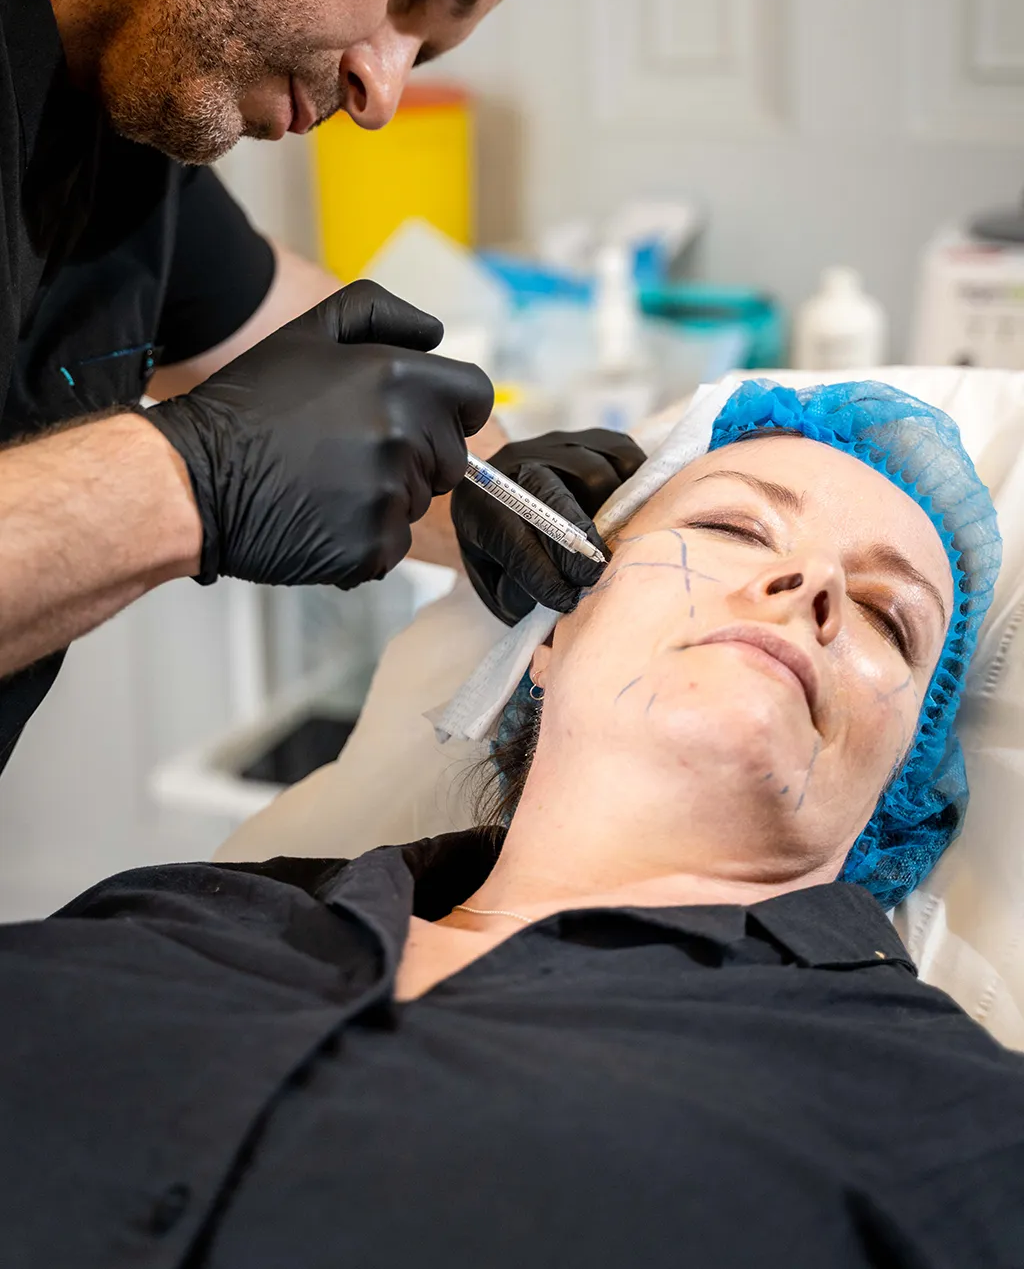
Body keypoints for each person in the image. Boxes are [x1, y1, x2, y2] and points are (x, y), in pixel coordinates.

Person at [2, 378, 1022, 1269]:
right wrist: (175, 478)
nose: (812, 586)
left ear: (899, 787)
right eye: (733, 528)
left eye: (892, 617)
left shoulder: (954, 1127)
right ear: (553, 630)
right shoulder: (168, 912)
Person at [0, 0, 627, 772]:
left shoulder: (113, 99)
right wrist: (183, 482)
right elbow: (232, 444)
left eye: (423, 49)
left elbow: (299, 360)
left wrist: (504, 494)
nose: (380, 93)